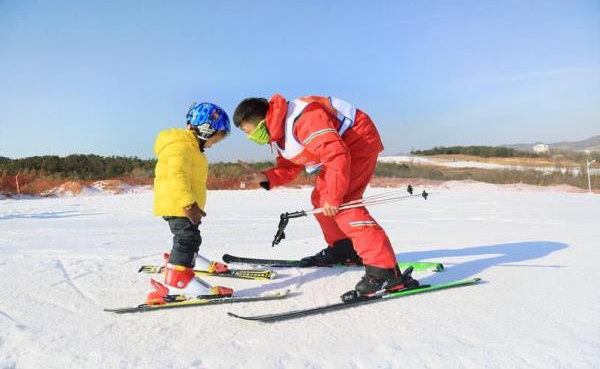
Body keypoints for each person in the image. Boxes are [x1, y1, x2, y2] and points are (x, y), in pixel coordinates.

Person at [233, 95, 418, 295]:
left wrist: (336, 196)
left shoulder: (304, 118)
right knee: (320, 200)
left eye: (246, 130)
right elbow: (290, 166)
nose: (248, 136)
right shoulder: (278, 133)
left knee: (345, 205)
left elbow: (336, 154)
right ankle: (343, 248)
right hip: (341, 152)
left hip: (358, 142)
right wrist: (264, 176)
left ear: (259, 119)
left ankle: (385, 271)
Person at [147, 102, 233, 305]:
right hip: (178, 203)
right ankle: (178, 280)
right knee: (187, 238)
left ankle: (182, 263)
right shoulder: (181, 146)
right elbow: (175, 175)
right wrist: (188, 203)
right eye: (214, 139)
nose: (213, 144)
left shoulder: (190, 147)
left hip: (182, 203)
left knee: (188, 237)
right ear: (205, 129)